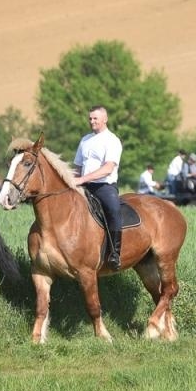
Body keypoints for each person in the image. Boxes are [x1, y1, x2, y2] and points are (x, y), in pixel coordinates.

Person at [71, 105, 125, 269]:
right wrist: (71, 181)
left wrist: (82, 179)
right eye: (90, 118)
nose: (92, 121)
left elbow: (108, 168)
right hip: (84, 185)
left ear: (105, 119)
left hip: (104, 187)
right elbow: (77, 168)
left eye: (95, 118)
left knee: (114, 211)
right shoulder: (85, 140)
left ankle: (114, 254)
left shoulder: (112, 140)